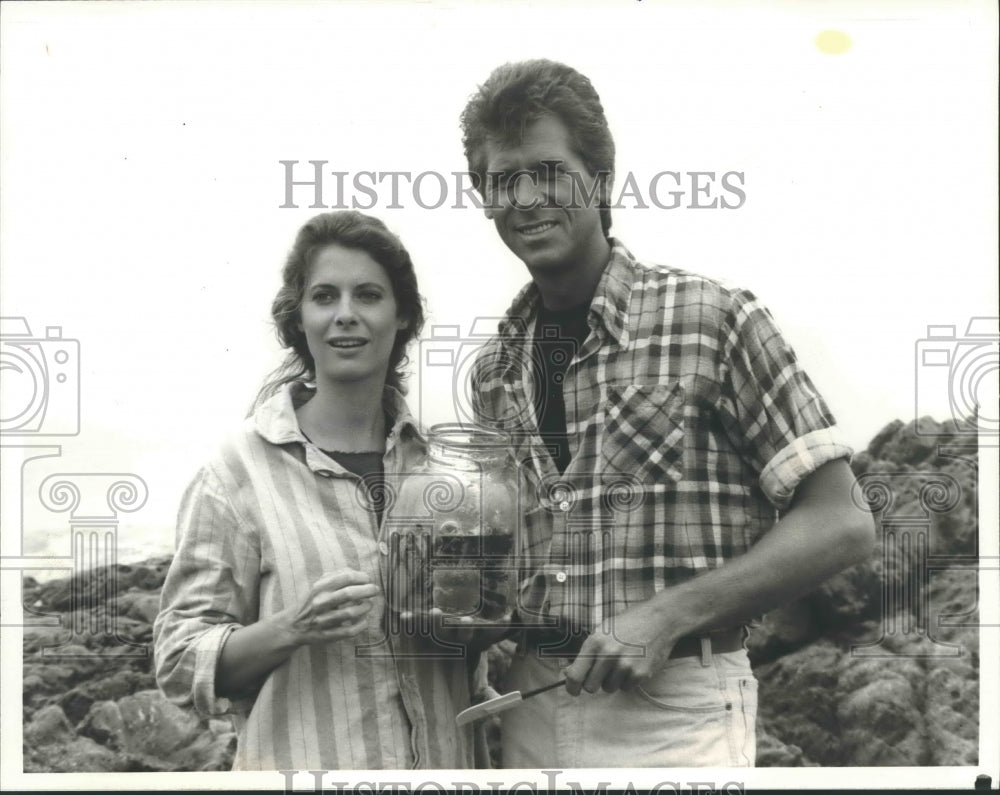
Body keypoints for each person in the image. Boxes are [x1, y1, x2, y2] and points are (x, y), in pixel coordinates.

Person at [458, 59, 876, 768]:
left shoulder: (714, 318)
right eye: (503, 180)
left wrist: (663, 616)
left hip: (678, 710)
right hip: (532, 706)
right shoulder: (492, 372)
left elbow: (842, 521)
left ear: (601, 177)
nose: (527, 197)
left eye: (549, 170)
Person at [153, 210, 476, 770]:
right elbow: (179, 660)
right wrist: (292, 627)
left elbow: (470, 643)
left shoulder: (443, 471)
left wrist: (483, 613)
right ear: (298, 319)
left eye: (369, 295)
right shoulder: (236, 474)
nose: (345, 315)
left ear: (402, 316)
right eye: (324, 297)